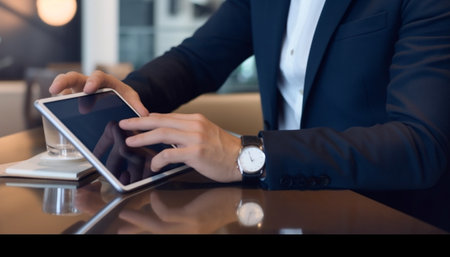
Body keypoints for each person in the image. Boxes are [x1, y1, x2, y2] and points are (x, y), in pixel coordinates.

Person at [50, 0, 450, 231]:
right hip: (276, 212)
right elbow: (196, 59)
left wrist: (248, 154)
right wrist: (134, 92)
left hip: (384, 217)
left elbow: (421, 144)